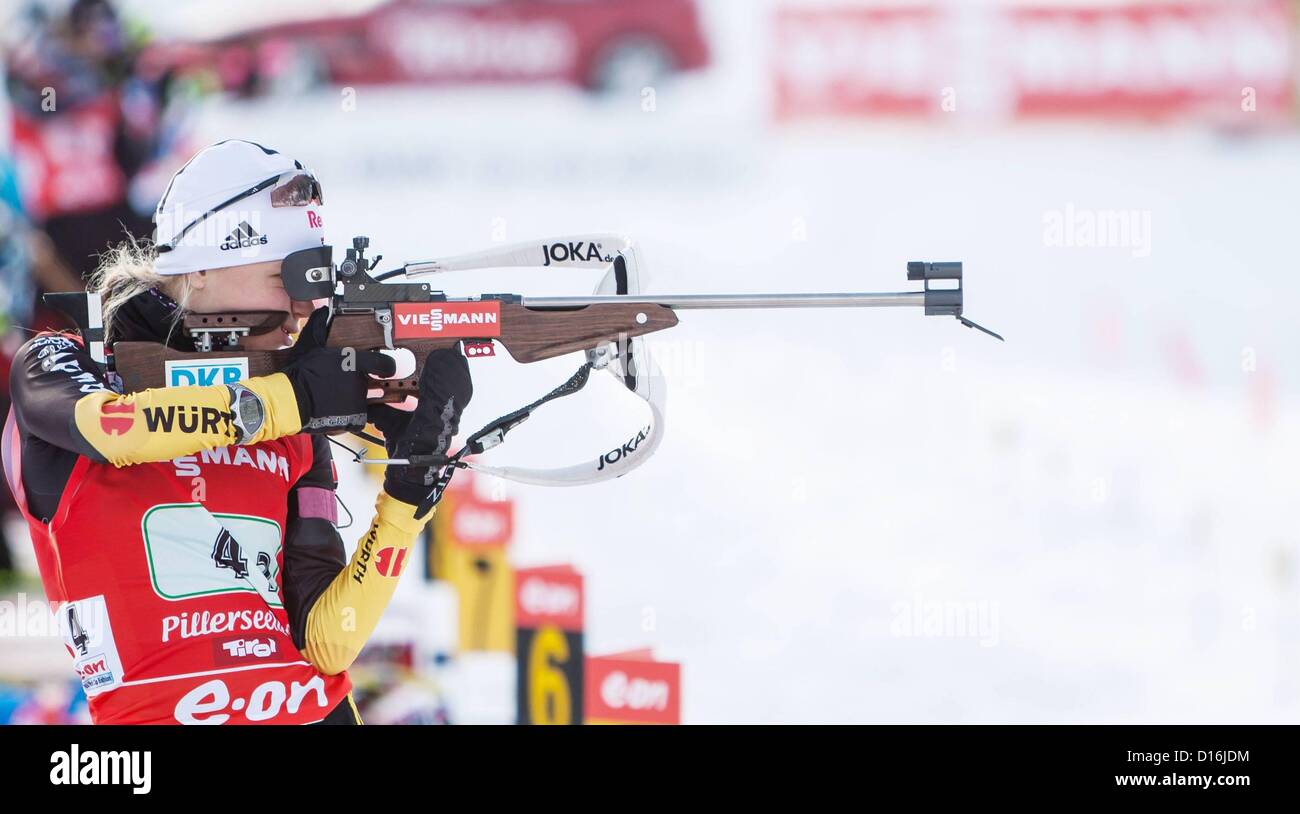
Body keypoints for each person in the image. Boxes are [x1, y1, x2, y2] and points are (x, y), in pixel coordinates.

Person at [1, 139, 472, 724]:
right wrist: (297, 399)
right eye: (285, 278)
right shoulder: (61, 362)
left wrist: (409, 496)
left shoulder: (293, 418)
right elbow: (116, 429)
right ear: (201, 267)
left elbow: (328, 641)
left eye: (315, 283)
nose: (305, 307)